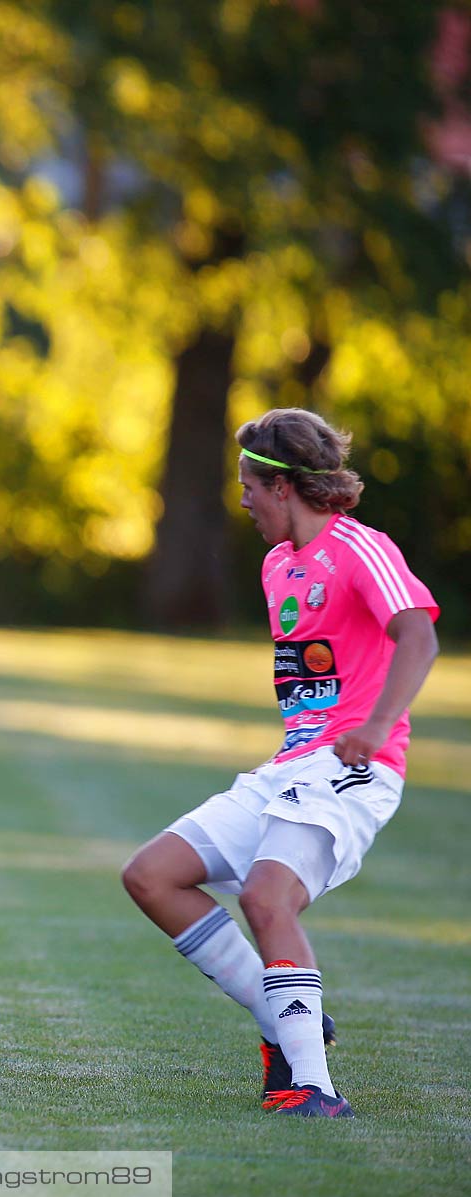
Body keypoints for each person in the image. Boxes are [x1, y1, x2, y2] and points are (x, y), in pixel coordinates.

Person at [121, 408, 438, 1118]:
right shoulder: (277, 565)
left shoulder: (362, 548)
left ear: (284, 486)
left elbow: (417, 637)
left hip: (358, 765)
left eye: (250, 486)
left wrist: (376, 725)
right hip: (291, 766)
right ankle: (282, 1022)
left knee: (267, 899)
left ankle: (315, 1088)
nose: (243, 499)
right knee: (151, 876)